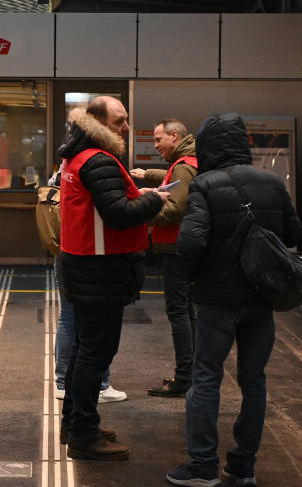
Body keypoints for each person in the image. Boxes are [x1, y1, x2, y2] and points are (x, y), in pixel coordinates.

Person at [165, 113, 301, 487]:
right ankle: (243, 467)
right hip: (262, 298)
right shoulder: (274, 184)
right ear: (244, 143)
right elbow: (292, 233)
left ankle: (202, 465)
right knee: (253, 379)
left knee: (206, 376)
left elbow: (191, 241)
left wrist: (191, 276)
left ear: (209, 145)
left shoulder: (206, 185)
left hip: (218, 300)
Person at [58, 96, 168, 461]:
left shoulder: (76, 156)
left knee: (83, 350)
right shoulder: (99, 160)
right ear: (97, 123)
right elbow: (119, 215)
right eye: (119, 121)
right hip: (99, 269)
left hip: (82, 263)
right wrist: (154, 201)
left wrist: (140, 194)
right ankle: (84, 436)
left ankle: (75, 422)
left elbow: (106, 206)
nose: (125, 127)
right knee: (95, 353)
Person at [130, 118, 198, 398]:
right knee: (186, 311)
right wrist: (148, 175)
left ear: (174, 136)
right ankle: (192, 372)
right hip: (183, 247)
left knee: (178, 311)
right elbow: (173, 179)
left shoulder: (183, 164)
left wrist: (142, 217)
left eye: (158, 139)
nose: (155, 144)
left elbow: (175, 209)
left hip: (175, 247)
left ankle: (184, 377)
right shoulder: (189, 160)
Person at [50, 165, 127, 405]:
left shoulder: (65, 169)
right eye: (119, 123)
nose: (124, 126)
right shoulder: (94, 166)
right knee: (94, 322)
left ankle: (63, 382)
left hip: (66, 248)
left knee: (68, 317)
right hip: (87, 251)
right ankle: (99, 385)